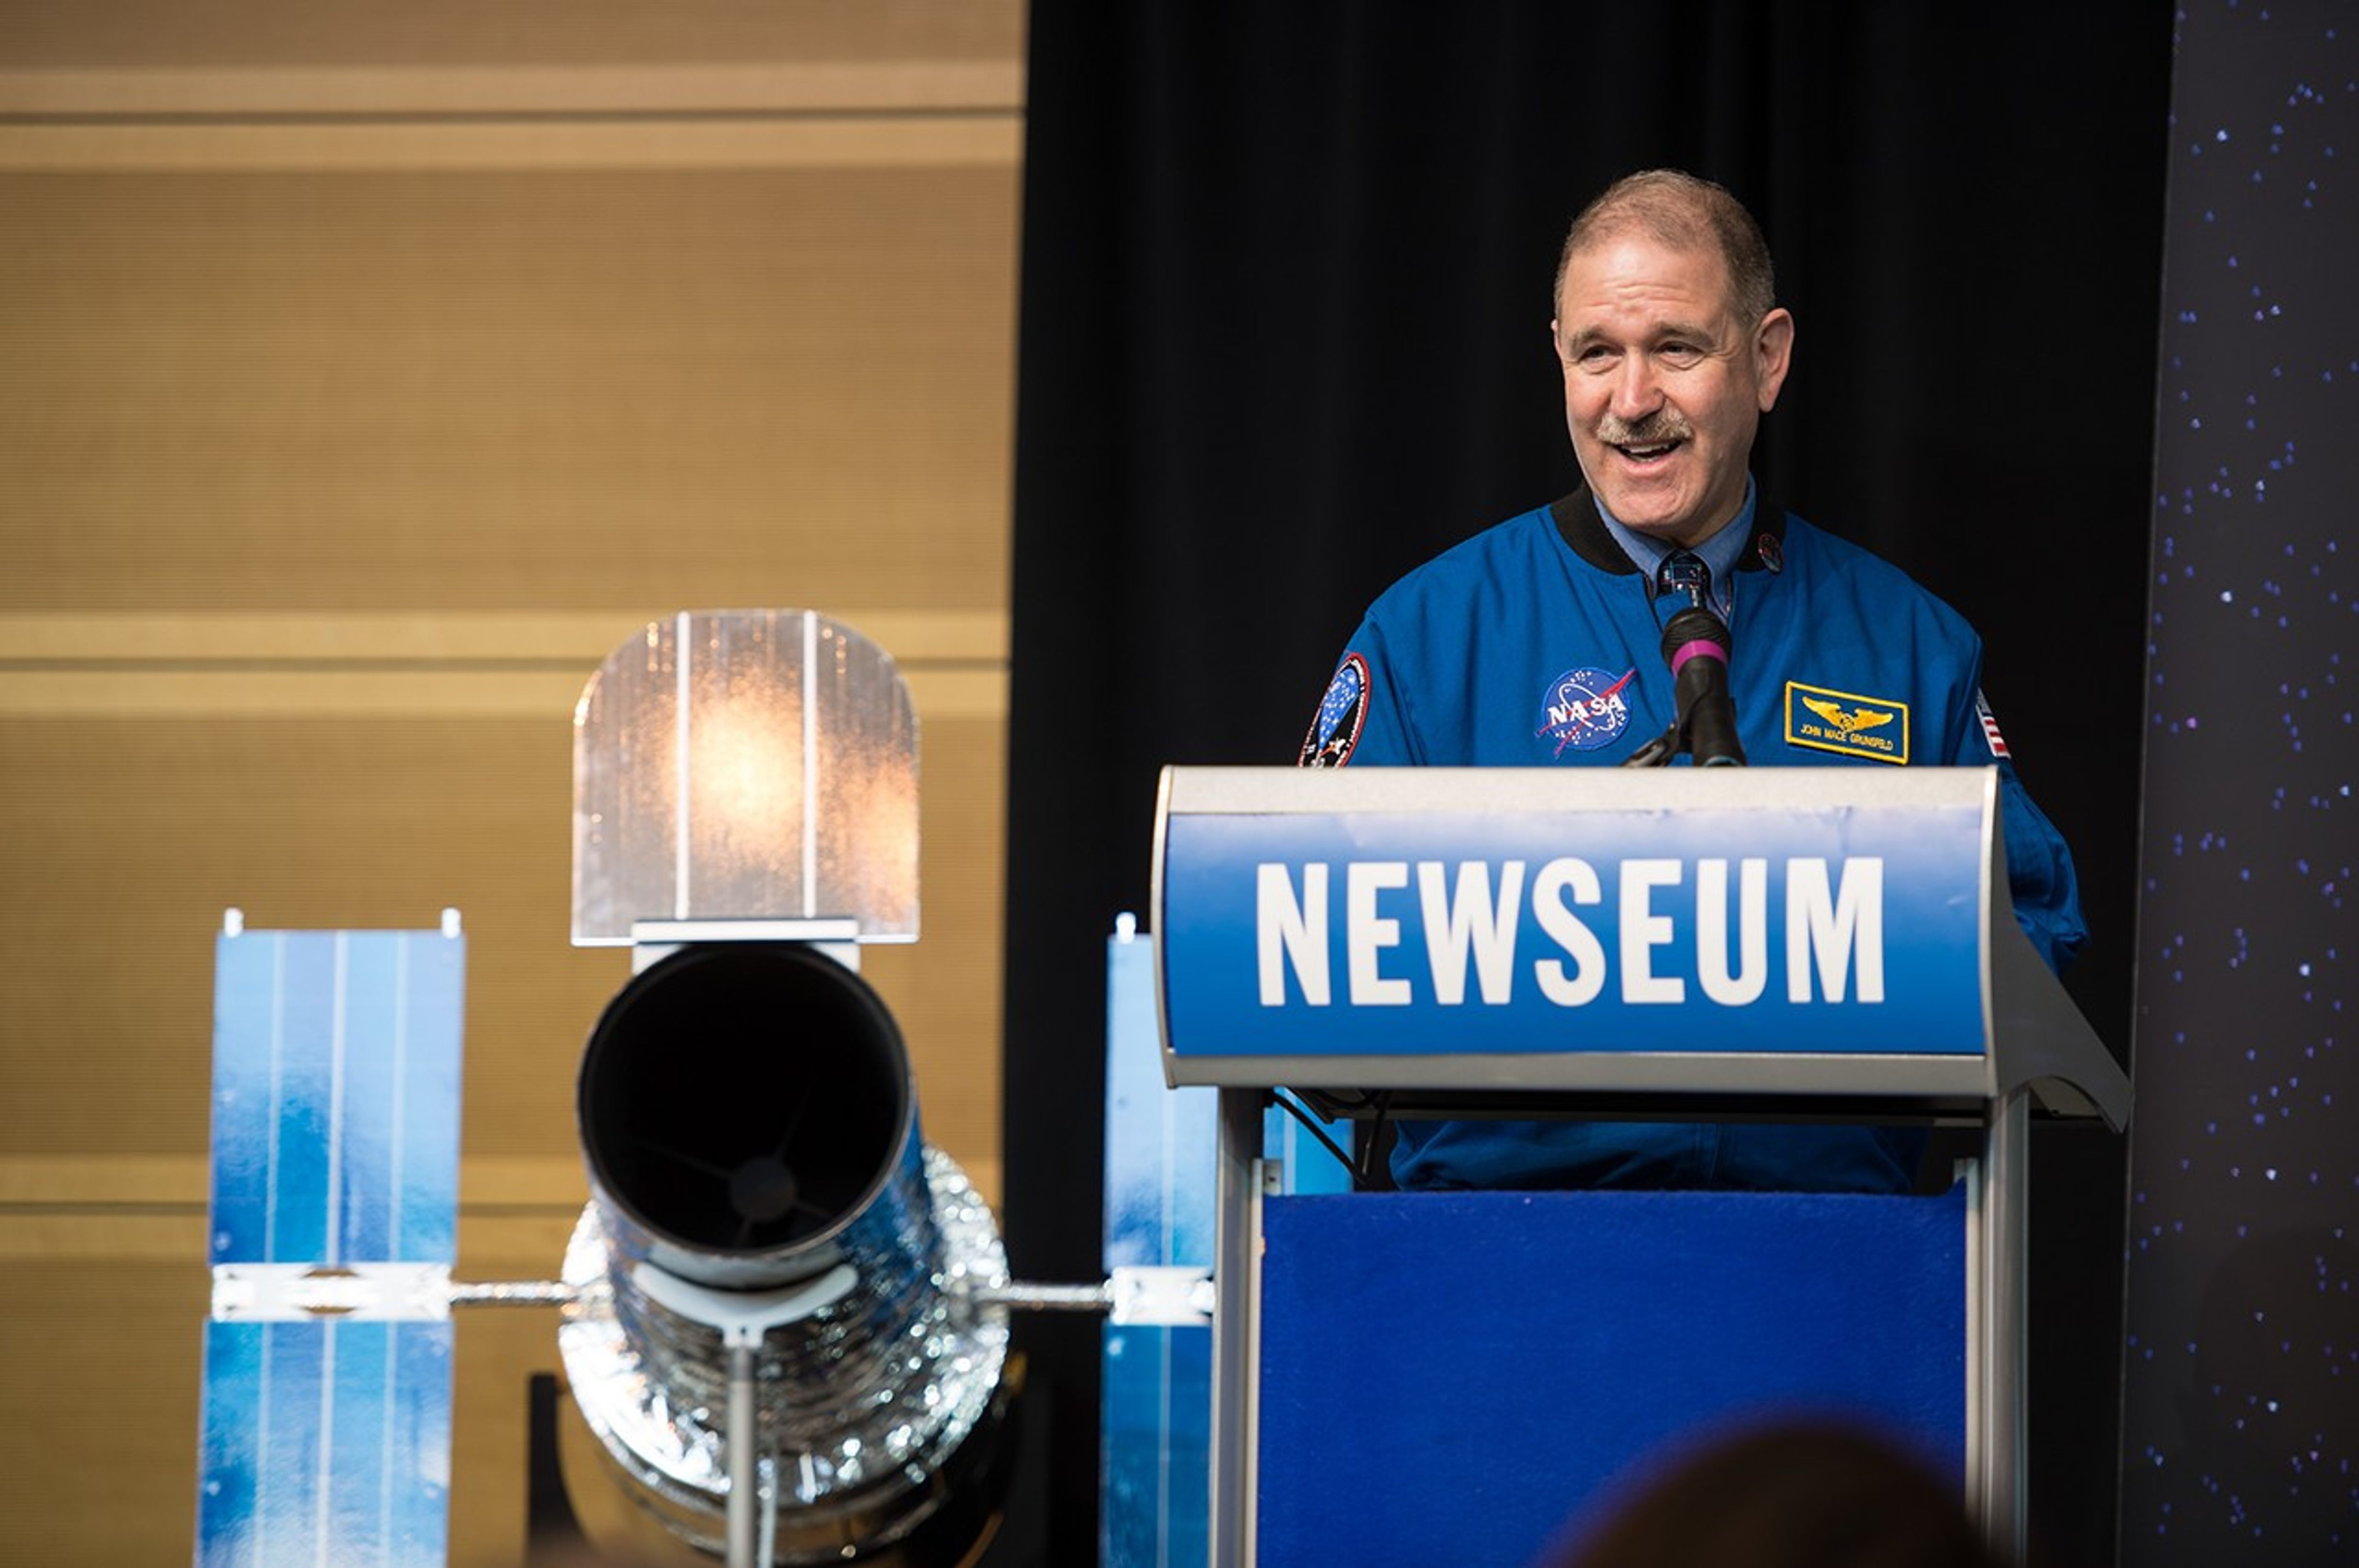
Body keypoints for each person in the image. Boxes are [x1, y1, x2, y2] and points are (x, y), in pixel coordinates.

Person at [1298, 169, 2085, 1194]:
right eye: (1597, 355)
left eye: (1676, 348)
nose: (1633, 402)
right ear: (1559, 363)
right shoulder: (1426, 636)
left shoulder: (1907, 644)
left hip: (1833, 1277)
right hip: (1496, 1276)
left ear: (1766, 359)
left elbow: (2036, 946)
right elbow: (1304, 958)